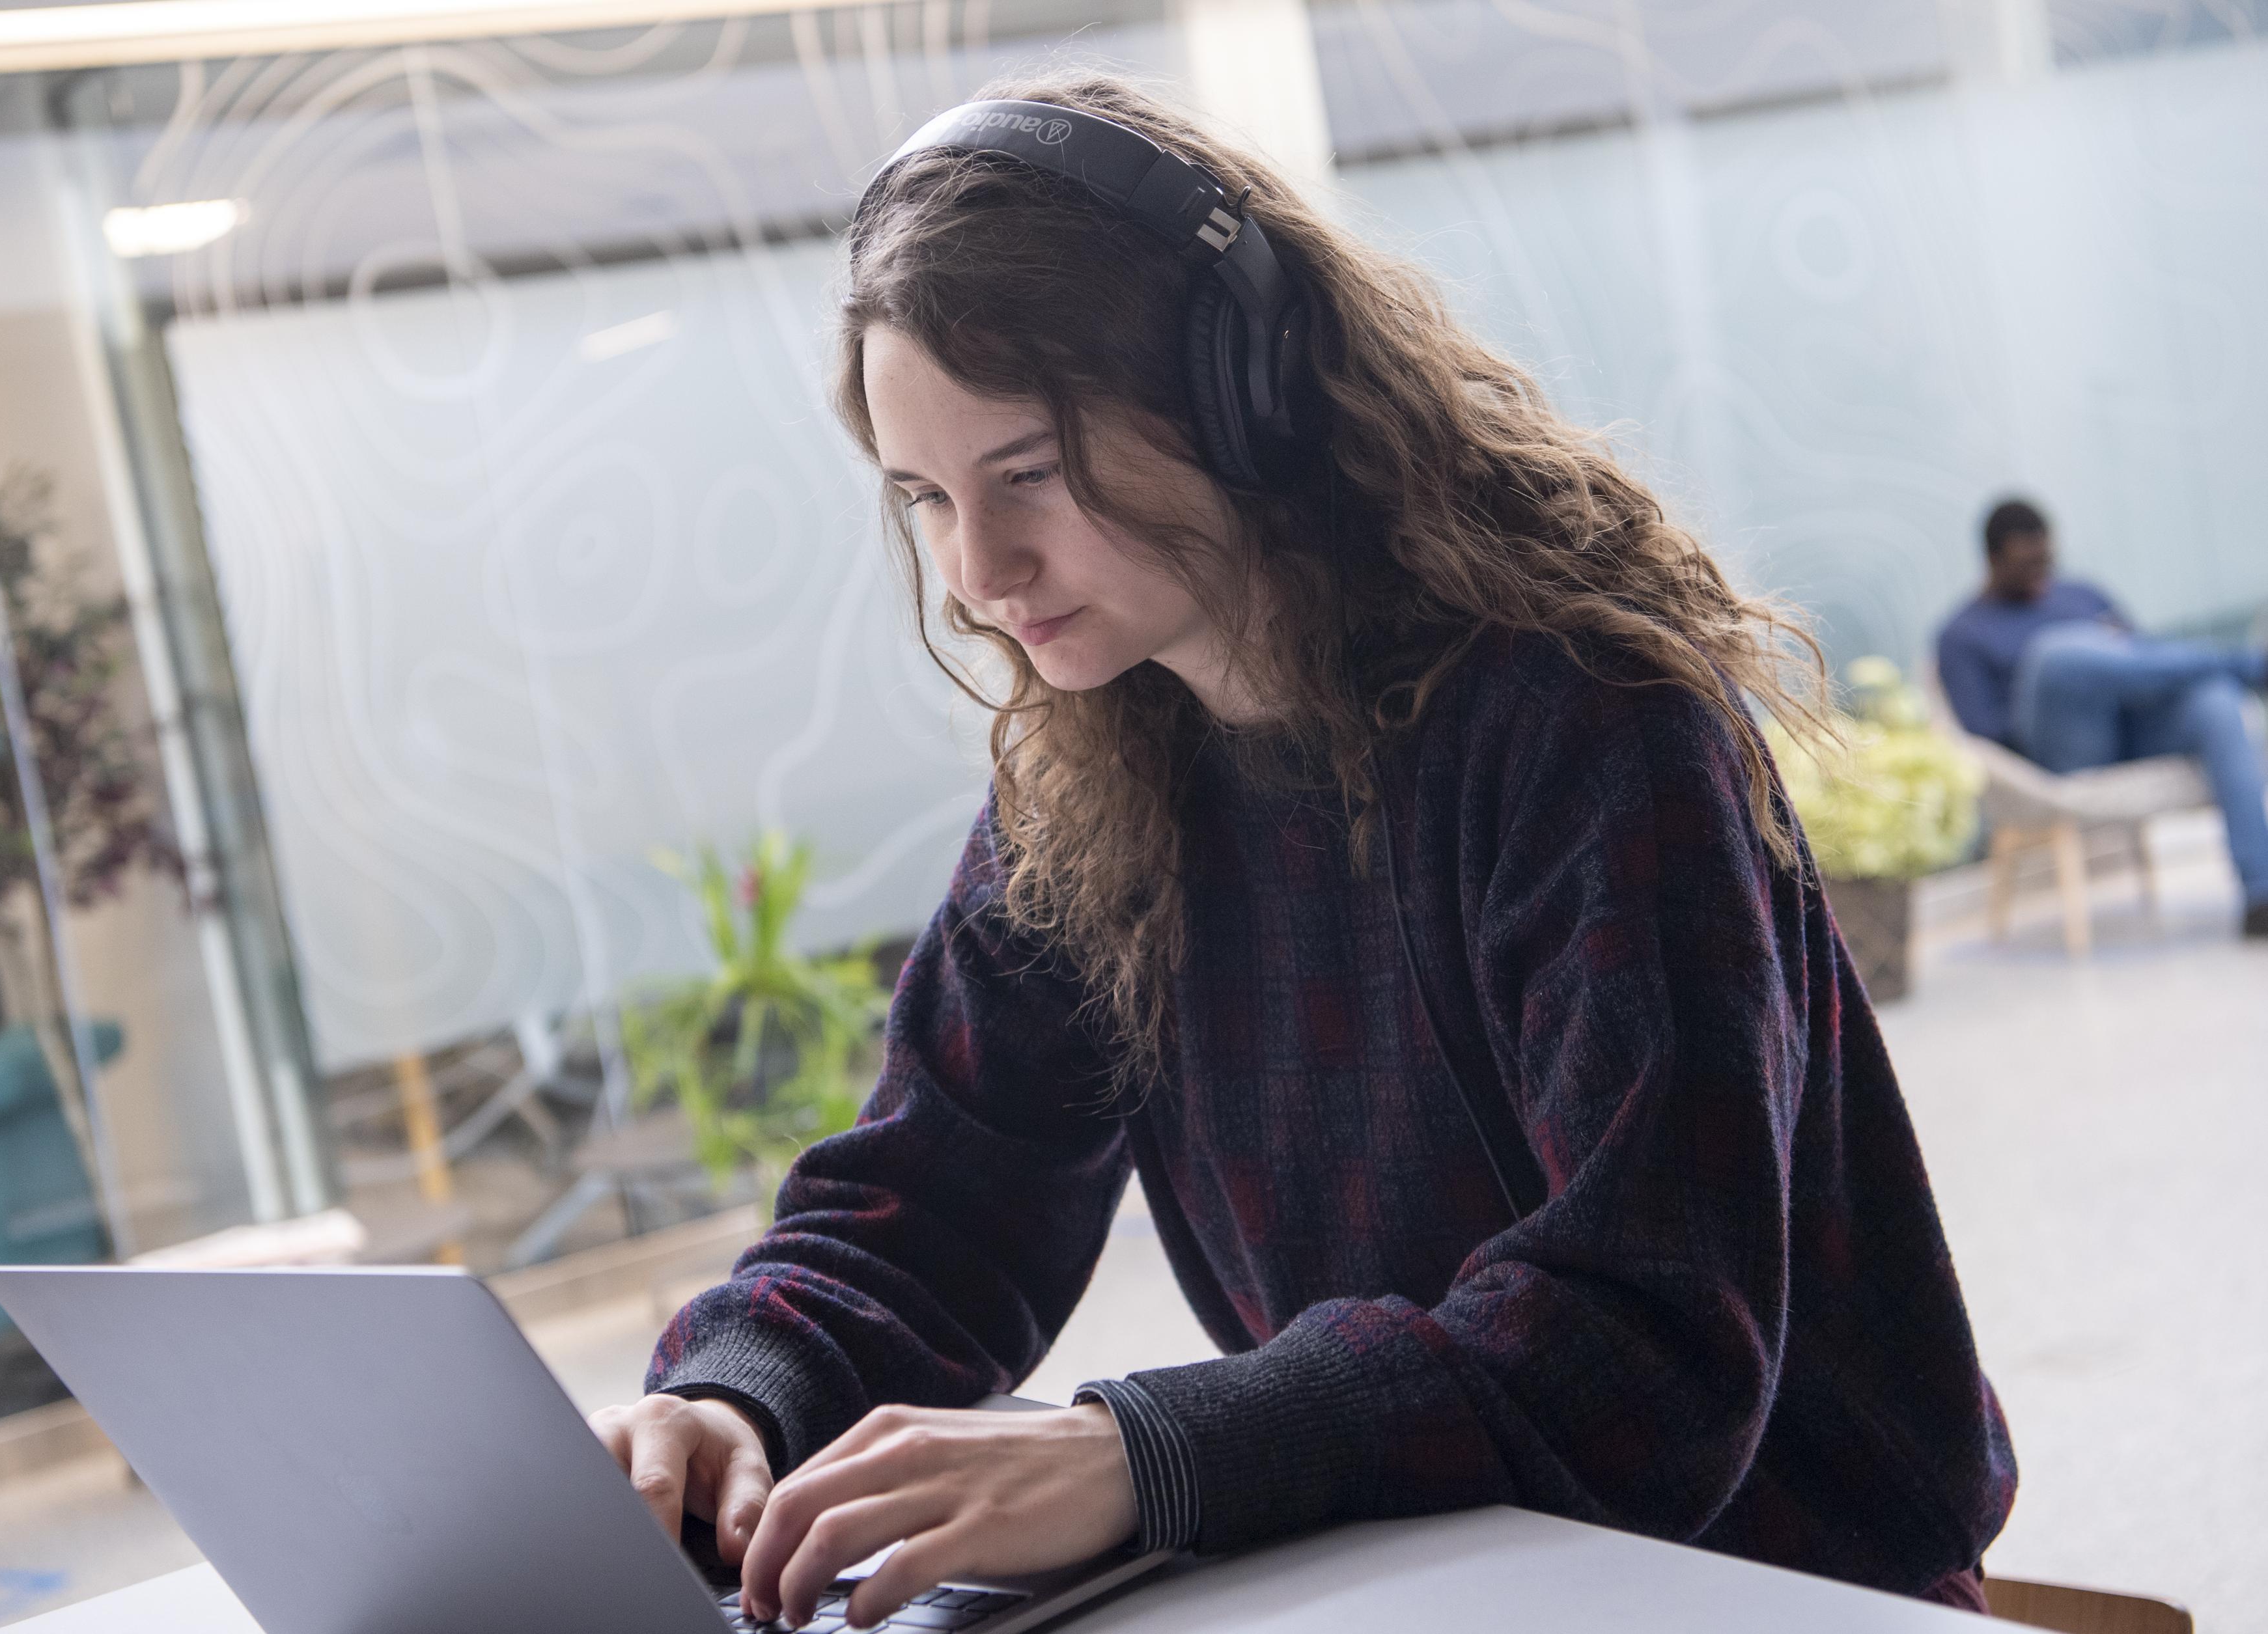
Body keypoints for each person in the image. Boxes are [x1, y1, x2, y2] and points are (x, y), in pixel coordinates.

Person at [592, 73, 2015, 1627]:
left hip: (1766, 1581)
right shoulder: (1095, 778)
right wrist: (740, 1396)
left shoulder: (1585, 722)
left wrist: (1144, 1452)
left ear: (1239, 393)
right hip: (1415, 1574)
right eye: (924, 497)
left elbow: (1646, 1345)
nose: (976, 573)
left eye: (1030, 474)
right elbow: (941, 1195)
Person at [1937, 497, 2268, 938]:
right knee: (2056, 655)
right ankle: (2250, 667)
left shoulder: (2081, 594)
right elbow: (1984, 734)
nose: (2040, 575)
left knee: (2214, 703)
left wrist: (2111, 668)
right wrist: (2066, 678)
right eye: (2025, 563)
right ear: (1993, 559)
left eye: (2047, 559)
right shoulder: (1962, 635)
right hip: (2060, 753)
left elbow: (2145, 657)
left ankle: (2261, 895)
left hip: (2131, 728)